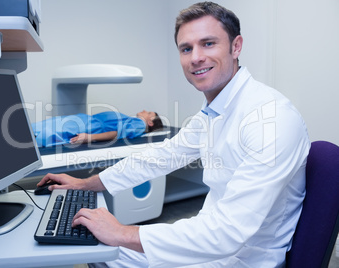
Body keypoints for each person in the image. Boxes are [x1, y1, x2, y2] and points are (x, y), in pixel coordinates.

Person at [37, 2, 310, 267]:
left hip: (242, 257)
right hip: (208, 243)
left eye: (208, 43)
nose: (196, 57)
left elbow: (228, 232)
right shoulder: (214, 111)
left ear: (236, 46)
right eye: (186, 48)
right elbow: (161, 157)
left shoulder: (271, 120)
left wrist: (123, 232)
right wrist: (85, 184)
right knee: (92, 244)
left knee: (102, 243)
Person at [32, 110, 163, 147]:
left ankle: (31, 137)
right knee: (50, 124)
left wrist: (89, 137)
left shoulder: (140, 124)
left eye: (149, 113)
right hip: (87, 121)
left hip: (91, 126)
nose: (145, 110)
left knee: (50, 129)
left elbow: (118, 133)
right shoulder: (135, 122)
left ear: (150, 123)